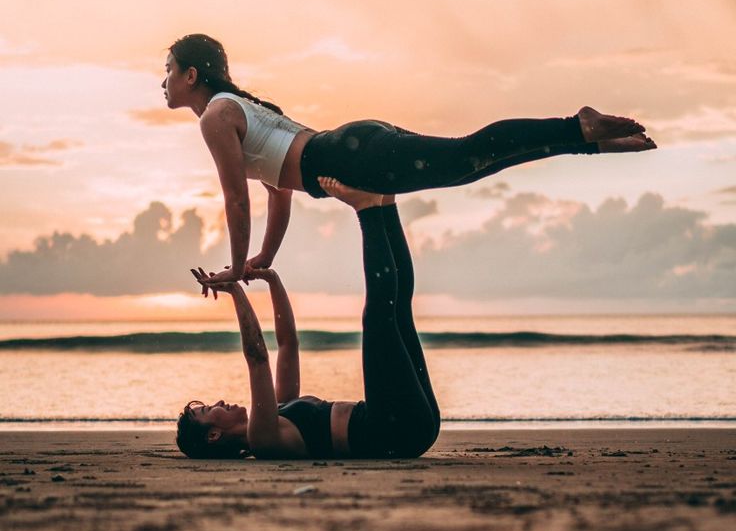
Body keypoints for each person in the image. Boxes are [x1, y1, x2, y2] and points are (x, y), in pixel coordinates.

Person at [163, 33, 657, 290]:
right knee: (469, 164)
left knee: (465, 155)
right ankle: (585, 141)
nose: (162, 81)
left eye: (167, 71)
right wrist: (263, 259)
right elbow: (278, 192)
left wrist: (233, 268)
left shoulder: (216, 117)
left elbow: (236, 199)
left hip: (351, 157)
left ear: (190, 74)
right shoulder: (239, 109)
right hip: (356, 146)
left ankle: (576, 127)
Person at [176, 183, 440, 462]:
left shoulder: (277, 411)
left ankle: (385, 202)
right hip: (393, 431)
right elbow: (257, 358)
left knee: (398, 312)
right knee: (378, 317)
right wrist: (236, 291)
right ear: (213, 435)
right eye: (208, 410)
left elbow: (288, 343)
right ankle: (368, 209)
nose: (219, 402)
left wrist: (271, 279)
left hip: (415, 425)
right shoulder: (263, 439)